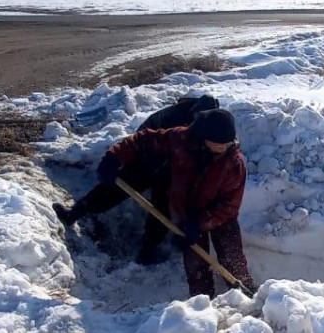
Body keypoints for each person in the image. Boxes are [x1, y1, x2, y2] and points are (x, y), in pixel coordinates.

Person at [94, 108, 256, 298]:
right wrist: (114, 156)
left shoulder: (234, 162)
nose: (222, 148)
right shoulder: (182, 140)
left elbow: (230, 205)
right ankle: (203, 304)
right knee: (196, 265)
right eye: (217, 144)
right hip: (186, 212)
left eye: (226, 144)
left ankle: (246, 294)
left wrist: (201, 223)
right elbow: (143, 140)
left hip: (220, 215)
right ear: (204, 137)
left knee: (232, 258)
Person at [52, 94, 219, 264]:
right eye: (198, 116)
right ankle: (73, 213)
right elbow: (142, 136)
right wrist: (117, 158)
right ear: (194, 110)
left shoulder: (214, 132)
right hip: (147, 160)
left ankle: (148, 250)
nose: (199, 121)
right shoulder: (172, 116)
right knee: (113, 191)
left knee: (163, 210)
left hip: (173, 172)